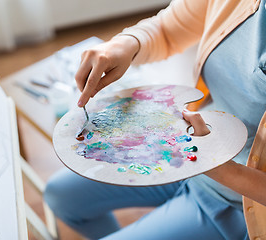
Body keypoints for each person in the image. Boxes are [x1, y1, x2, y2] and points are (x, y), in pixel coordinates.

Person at [44, 0, 266, 239]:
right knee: (59, 194)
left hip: (238, 202)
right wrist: (126, 44)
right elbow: (168, 28)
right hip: (191, 150)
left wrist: (216, 166)